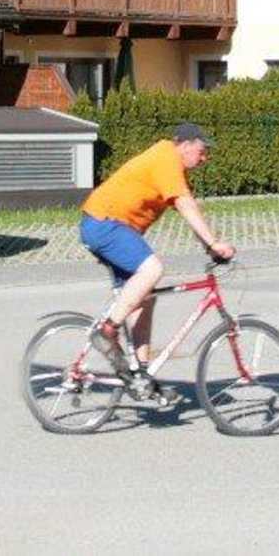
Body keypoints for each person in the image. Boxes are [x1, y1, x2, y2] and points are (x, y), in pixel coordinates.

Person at [77, 122, 234, 397]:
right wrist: (213, 243)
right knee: (153, 269)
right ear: (185, 145)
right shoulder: (166, 158)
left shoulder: (172, 168)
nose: (204, 158)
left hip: (114, 228)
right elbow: (185, 203)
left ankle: (141, 376)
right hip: (105, 224)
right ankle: (107, 330)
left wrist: (208, 248)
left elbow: (186, 210)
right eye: (201, 151)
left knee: (145, 297)